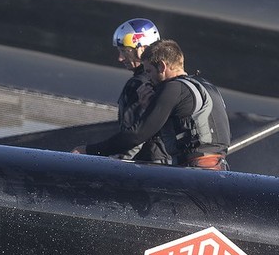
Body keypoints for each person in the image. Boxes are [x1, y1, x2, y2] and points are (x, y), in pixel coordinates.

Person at [74, 39, 231, 170]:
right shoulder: (206, 85)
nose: (148, 79)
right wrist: (149, 106)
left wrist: (88, 150)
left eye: (149, 71)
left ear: (162, 66)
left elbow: (137, 135)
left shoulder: (173, 88)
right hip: (219, 167)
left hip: (196, 170)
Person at [109, 18, 168, 164]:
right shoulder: (165, 82)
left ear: (143, 49)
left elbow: (135, 135)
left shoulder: (137, 84)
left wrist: (116, 164)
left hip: (145, 164)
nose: (120, 58)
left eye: (125, 51)